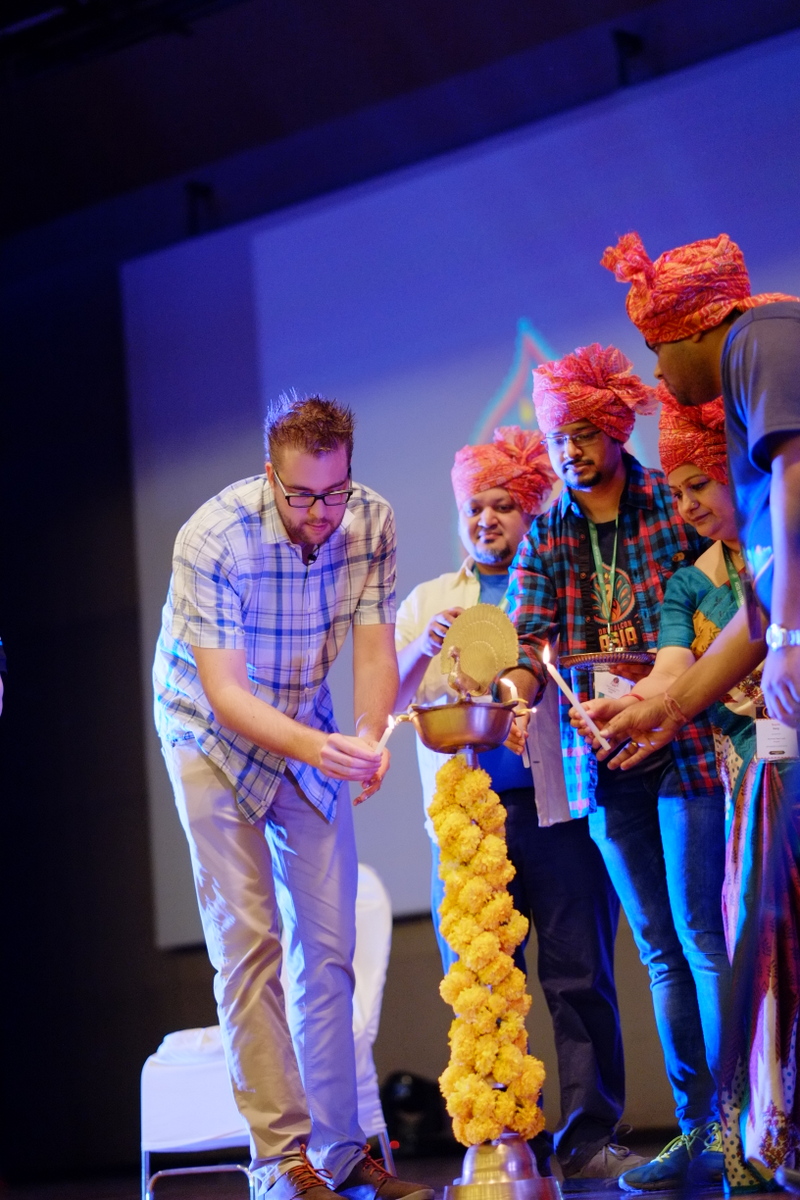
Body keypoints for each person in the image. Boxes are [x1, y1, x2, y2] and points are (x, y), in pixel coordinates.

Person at [153, 393, 434, 1200]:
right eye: (303, 496)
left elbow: (376, 649)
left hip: (305, 718)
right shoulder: (215, 535)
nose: (321, 513)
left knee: (330, 947)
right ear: (270, 474)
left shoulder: (369, 521)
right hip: (207, 731)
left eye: (334, 492)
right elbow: (226, 696)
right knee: (249, 946)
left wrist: (372, 740)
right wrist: (327, 750)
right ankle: (283, 1164)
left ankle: (344, 1152)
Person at [503, 344, 730, 1191]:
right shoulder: (551, 531)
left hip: (687, 745)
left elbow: (712, 613)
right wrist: (518, 689)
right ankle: (702, 1129)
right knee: (661, 955)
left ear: (615, 428)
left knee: (705, 941)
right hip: (601, 762)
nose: (570, 449)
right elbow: (530, 645)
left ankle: (750, 1123)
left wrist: (667, 704)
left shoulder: (669, 505)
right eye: (559, 434)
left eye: (585, 432)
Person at [573, 390, 800, 1192]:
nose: (689, 505)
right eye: (676, 492)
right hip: (754, 795)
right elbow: (674, 674)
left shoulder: (782, 555)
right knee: (741, 956)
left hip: (760, 789)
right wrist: (636, 709)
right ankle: (741, 1139)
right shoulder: (699, 585)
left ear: (744, 471)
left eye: (701, 484)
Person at [394, 427, 631, 1184]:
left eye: (504, 505)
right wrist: (425, 655)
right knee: (483, 983)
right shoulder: (430, 601)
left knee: (578, 976)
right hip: (470, 821)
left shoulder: (559, 584)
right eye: (475, 507)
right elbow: (397, 701)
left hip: (559, 812)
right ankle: (497, 1141)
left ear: (532, 511)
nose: (486, 519)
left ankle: (590, 1140)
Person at [599, 231, 800, 741]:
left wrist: (790, 638)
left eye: (656, 347)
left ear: (693, 328)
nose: (658, 370)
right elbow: (764, 601)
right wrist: (670, 708)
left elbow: (796, 474)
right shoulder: (744, 378)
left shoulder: (759, 336)